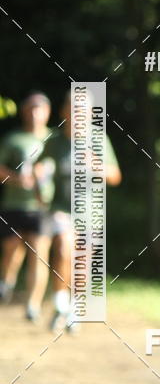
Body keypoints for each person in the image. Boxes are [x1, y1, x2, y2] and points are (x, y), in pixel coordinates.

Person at [41, 91, 121, 331]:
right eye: (73, 108)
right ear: (64, 111)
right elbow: (39, 170)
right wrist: (38, 176)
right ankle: (59, 305)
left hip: (89, 213)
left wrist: (95, 165)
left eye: (83, 110)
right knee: (64, 249)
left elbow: (115, 176)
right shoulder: (54, 142)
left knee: (82, 263)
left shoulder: (98, 139)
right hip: (60, 209)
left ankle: (74, 309)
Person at [0, 91, 52, 320]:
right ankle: (6, 284)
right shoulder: (12, 139)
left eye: (39, 109)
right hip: (14, 204)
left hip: (43, 207)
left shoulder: (56, 139)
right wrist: (16, 179)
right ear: (24, 112)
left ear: (48, 112)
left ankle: (33, 304)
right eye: (30, 109)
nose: (34, 114)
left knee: (39, 253)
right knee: (12, 251)